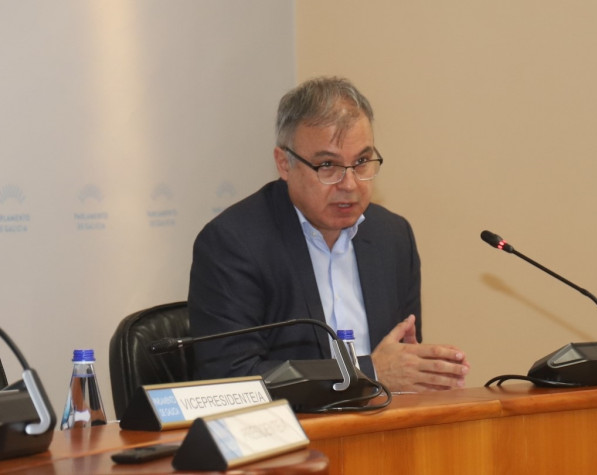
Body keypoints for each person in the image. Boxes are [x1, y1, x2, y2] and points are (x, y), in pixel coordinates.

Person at [188, 77, 470, 392]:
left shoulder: (393, 237)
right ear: (284, 164)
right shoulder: (234, 243)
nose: (349, 184)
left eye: (362, 162)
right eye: (327, 165)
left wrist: (422, 371)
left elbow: (400, 361)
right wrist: (369, 371)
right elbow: (231, 380)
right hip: (294, 436)